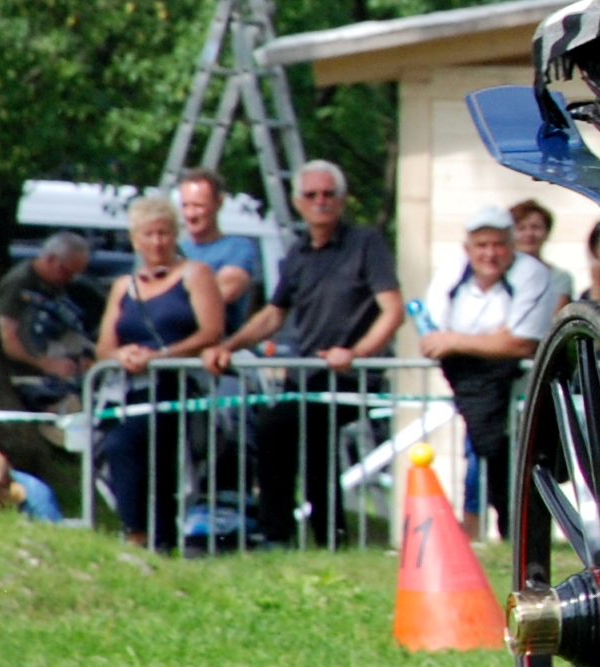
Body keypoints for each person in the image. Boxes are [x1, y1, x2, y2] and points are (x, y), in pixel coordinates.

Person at [219, 160, 403, 547]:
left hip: (351, 378)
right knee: (301, 441)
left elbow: (392, 310)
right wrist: (227, 346)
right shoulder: (298, 253)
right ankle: (323, 538)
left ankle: (283, 534)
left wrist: (355, 353)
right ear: (298, 202)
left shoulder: (366, 243)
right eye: (312, 195)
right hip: (307, 377)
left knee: (279, 428)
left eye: (328, 194)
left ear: (342, 200)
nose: (321, 202)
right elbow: (273, 314)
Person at [88, 194, 228, 547]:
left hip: (174, 387)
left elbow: (211, 331)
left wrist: (161, 355)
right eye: (148, 234)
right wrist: (122, 354)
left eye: (164, 233)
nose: (157, 242)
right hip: (128, 389)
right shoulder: (124, 286)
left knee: (131, 447)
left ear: (175, 235)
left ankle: (137, 532)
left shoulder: (196, 274)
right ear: (135, 239)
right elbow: (104, 345)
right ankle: (157, 541)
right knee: (130, 454)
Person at [425, 207, 559, 522]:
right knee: (480, 458)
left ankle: (519, 532)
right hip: (469, 390)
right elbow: (431, 339)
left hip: (522, 393)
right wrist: (493, 341)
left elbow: (522, 342)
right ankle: (486, 532)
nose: (490, 253)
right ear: (467, 248)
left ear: (512, 246)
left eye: (498, 244)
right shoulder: (451, 274)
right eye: (482, 245)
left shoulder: (532, 274)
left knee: (523, 465)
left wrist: (456, 341)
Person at [0, 229, 99, 407]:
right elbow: (6, 337)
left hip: (61, 376)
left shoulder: (53, 283)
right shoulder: (19, 284)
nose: (70, 279)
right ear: (50, 259)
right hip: (27, 379)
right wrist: (47, 364)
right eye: (67, 272)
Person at [170, 167, 262, 313]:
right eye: (185, 205)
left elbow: (225, 293)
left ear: (219, 203)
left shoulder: (237, 248)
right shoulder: (173, 250)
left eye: (198, 206)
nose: (190, 214)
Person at [508, 198, 577, 306]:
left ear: (547, 232)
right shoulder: (496, 275)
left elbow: (558, 313)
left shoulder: (560, 278)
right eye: (521, 228)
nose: (529, 234)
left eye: (535, 227)